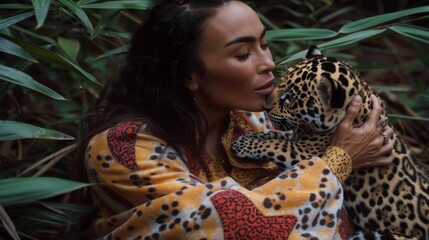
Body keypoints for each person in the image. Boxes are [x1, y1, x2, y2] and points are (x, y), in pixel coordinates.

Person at [79, 0, 395, 239]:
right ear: (188, 74)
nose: (269, 63)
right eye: (243, 54)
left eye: (265, 45)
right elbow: (235, 223)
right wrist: (340, 160)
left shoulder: (254, 122)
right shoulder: (122, 148)